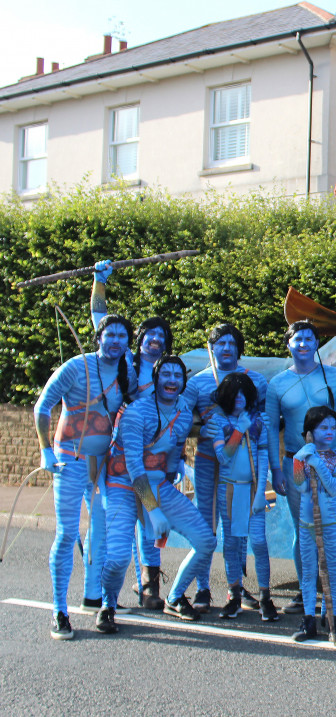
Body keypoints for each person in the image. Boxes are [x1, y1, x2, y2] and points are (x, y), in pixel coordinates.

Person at [35, 313, 137, 640]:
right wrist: (45, 450)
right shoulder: (76, 367)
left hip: (104, 461)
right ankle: (59, 611)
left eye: (123, 335)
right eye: (111, 334)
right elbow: (42, 407)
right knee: (67, 533)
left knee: (104, 531)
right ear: (99, 336)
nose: (116, 340)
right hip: (70, 458)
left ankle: (99, 599)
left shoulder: (128, 372)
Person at [98, 356, 211, 631]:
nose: (171, 380)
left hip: (160, 485)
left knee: (206, 541)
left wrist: (174, 476)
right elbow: (134, 465)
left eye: (177, 375)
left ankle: (174, 597)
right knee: (117, 558)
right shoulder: (137, 412)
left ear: (183, 382)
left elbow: (174, 452)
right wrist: (154, 510)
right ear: (156, 379)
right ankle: (107, 605)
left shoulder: (184, 413)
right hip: (123, 486)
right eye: (166, 375)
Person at [91, 258, 173, 610]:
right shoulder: (125, 362)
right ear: (139, 340)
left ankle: (149, 585)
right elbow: (101, 319)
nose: (155, 339)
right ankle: (106, 595)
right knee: (124, 522)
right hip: (123, 457)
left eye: (162, 336)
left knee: (151, 522)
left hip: (155, 458)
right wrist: (100, 281)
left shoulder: (170, 373)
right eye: (149, 334)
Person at [265, 320, 336, 614]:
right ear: (289, 344)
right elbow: (270, 429)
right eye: (297, 339)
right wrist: (276, 469)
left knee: (335, 525)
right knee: (303, 528)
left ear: (317, 344)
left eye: (309, 338)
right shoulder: (277, 383)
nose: (304, 344)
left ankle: (334, 590)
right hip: (296, 462)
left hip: (332, 463)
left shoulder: (335, 377)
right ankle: (305, 592)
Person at [181, 323, 268, 613]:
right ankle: (202, 588)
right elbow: (183, 420)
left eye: (232, 343)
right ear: (212, 348)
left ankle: (237, 587)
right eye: (220, 343)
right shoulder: (197, 383)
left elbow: (264, 421)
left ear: (239, 348)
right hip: (209, 461)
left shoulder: (255, 380)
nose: (227, 348)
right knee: (207, 526)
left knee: (237, 528)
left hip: (242, 465)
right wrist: (203, 428)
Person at [208, 373, 277, 622]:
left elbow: (263, 458)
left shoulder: (259, 421)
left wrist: (260, 493)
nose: (239, 399)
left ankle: (265, 596)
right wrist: (239, 430)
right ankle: (234, 594)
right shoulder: (217, 421)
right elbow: (223, 457)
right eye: (234, 394)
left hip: (252, 489)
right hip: (229, 490)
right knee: (232, 544)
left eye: (243, 394)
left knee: (258, 542)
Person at [288, 406, 336, 641]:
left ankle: (333, 619)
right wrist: (300, 460)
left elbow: (334, 489)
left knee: (333, 571)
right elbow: (301, 487)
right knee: (309, 572)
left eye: (333, 427)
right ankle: (308, 621)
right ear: (310, 432)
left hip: (331, 523)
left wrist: (318, 463)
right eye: (323, 428)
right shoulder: (302, 456)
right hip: (307, 523)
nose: (330, 432)